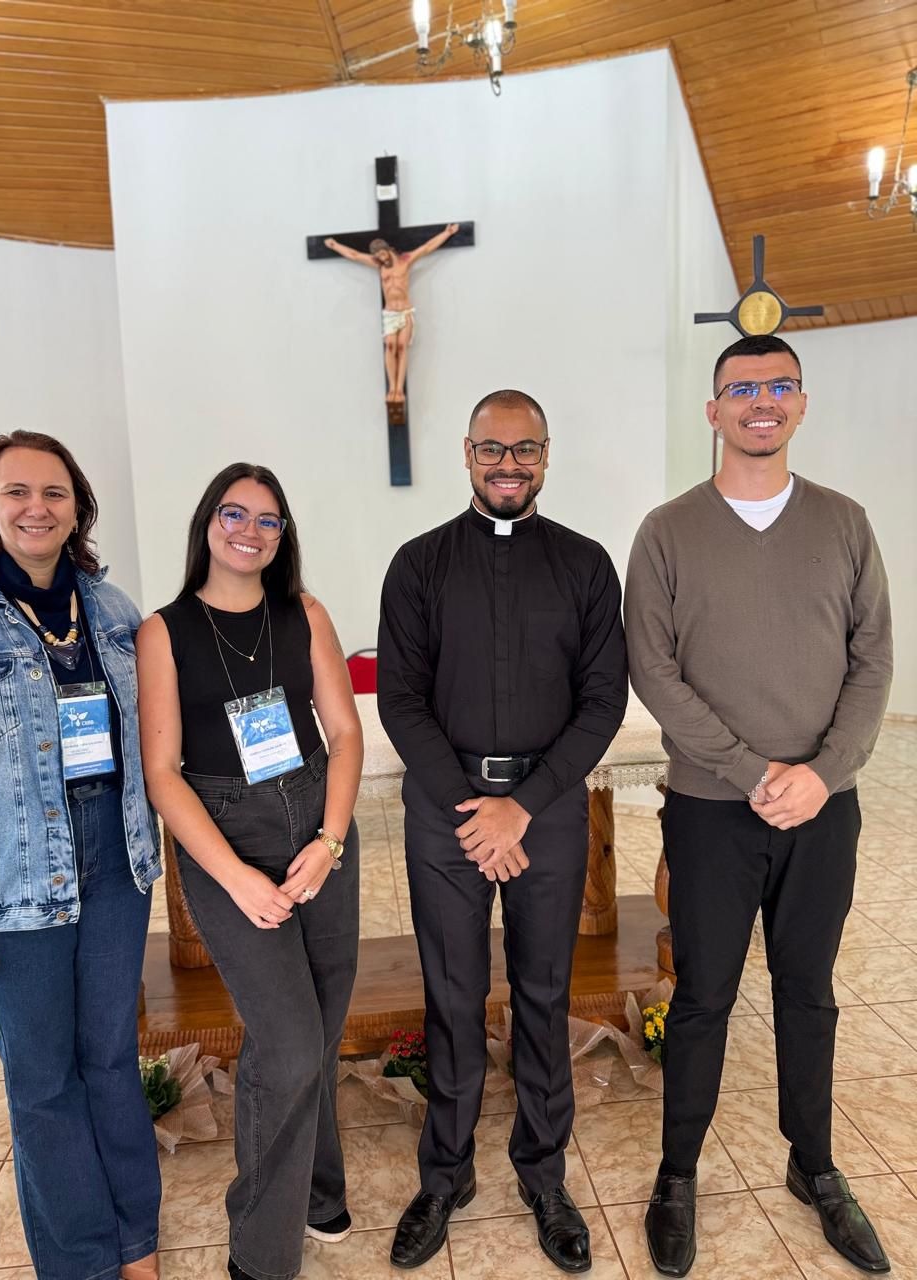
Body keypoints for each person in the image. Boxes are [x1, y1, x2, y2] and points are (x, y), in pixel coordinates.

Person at [625, 334, 893, 1277]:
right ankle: (678, 1175)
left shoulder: (846, 524)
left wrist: (822, 772)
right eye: (742, 389)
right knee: (702, 997)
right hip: (710, 808)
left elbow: (872, 665)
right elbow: (654, 672)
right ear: (714, 411)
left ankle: (812, 1166)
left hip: (825, 807)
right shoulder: (667, 532)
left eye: (779, 386)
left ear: (802, 404)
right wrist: (750, 771)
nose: (761, 403)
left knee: (808, 994)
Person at [378, 389, 628, 1274]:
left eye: (525, 450)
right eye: (493, 449)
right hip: (448, 813)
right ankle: (444, 1176)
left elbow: (604, 700)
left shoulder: (588, 565)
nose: (508, 464)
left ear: (547, 456)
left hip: (549, 810)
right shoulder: (417, 565)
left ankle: (543, 1173)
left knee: (544, 993)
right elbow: (401, 699)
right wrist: (474, 809)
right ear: (467, 454)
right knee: (451, 996)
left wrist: (524, 804)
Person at [136, 463, 362, 1280]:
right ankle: (262, 1249)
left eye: (268, 520)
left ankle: (320, 1190)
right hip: (227, 837)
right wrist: (233, 877)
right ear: (207, 522)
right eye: (235, 513)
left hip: (317, 827)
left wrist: (331, 841)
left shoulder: (303, 614)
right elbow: (163, 771)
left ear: (282, 536)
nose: (250, 530)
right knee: (289, 1040)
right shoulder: (164, 632)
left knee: (323, 1027)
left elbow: (344, 731)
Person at [0, 430, 162, 1280]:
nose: (35, 508)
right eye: (16, 492)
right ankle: (82, 1262)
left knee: (111, 1058)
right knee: (42, 1079)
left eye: (53, 493)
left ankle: (137, 1243)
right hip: (13, 878)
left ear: (78, 506)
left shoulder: (113, 610)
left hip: (115, 859)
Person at [324, 223, 459, 403]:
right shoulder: (378, 265)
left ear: (388, 250)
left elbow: (426, 248)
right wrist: (335, 245)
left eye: (383, 254)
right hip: (390, 313)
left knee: (402, 346)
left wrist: (447, 233)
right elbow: (354, 255)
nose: (381, 258)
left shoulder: (405, 260)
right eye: (378, 257)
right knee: (390, 345)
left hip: (405, 310)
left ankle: (398, 388)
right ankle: (391, 386)